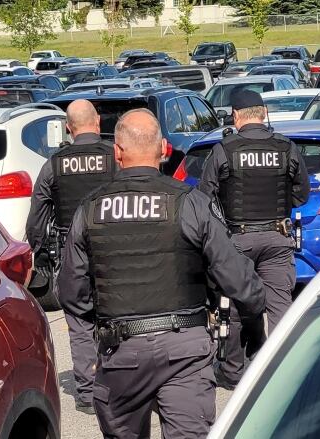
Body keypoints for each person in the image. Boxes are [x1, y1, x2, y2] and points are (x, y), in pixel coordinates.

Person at [58, 108, 266, 438]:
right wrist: (254, 331)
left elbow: (70, 292)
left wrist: (108, 322)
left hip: (122, 352)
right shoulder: (190, 203)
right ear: (164, 149)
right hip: (185, 351)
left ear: (117, 152)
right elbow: (239, 279)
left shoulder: (91, 208)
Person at [198, 90, 310, 390]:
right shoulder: (285, 147)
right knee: (279, 306)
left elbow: (203, 198)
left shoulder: (224, 149)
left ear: (236, 116)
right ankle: (281, 372)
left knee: (233, 307)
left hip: (237, 241)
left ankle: (233, 371)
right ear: (263, 114)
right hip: (277, 237)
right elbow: (302, 194)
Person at [25, 99, 115, 415]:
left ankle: (89, 393)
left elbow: (36, 220)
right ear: (99, 121)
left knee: (79, 321)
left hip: (71, 253)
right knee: (122, 313)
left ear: (68, 128)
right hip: (115, 249)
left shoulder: (55, 164)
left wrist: (41, 258)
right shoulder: (116, 156)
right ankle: (125, 383)